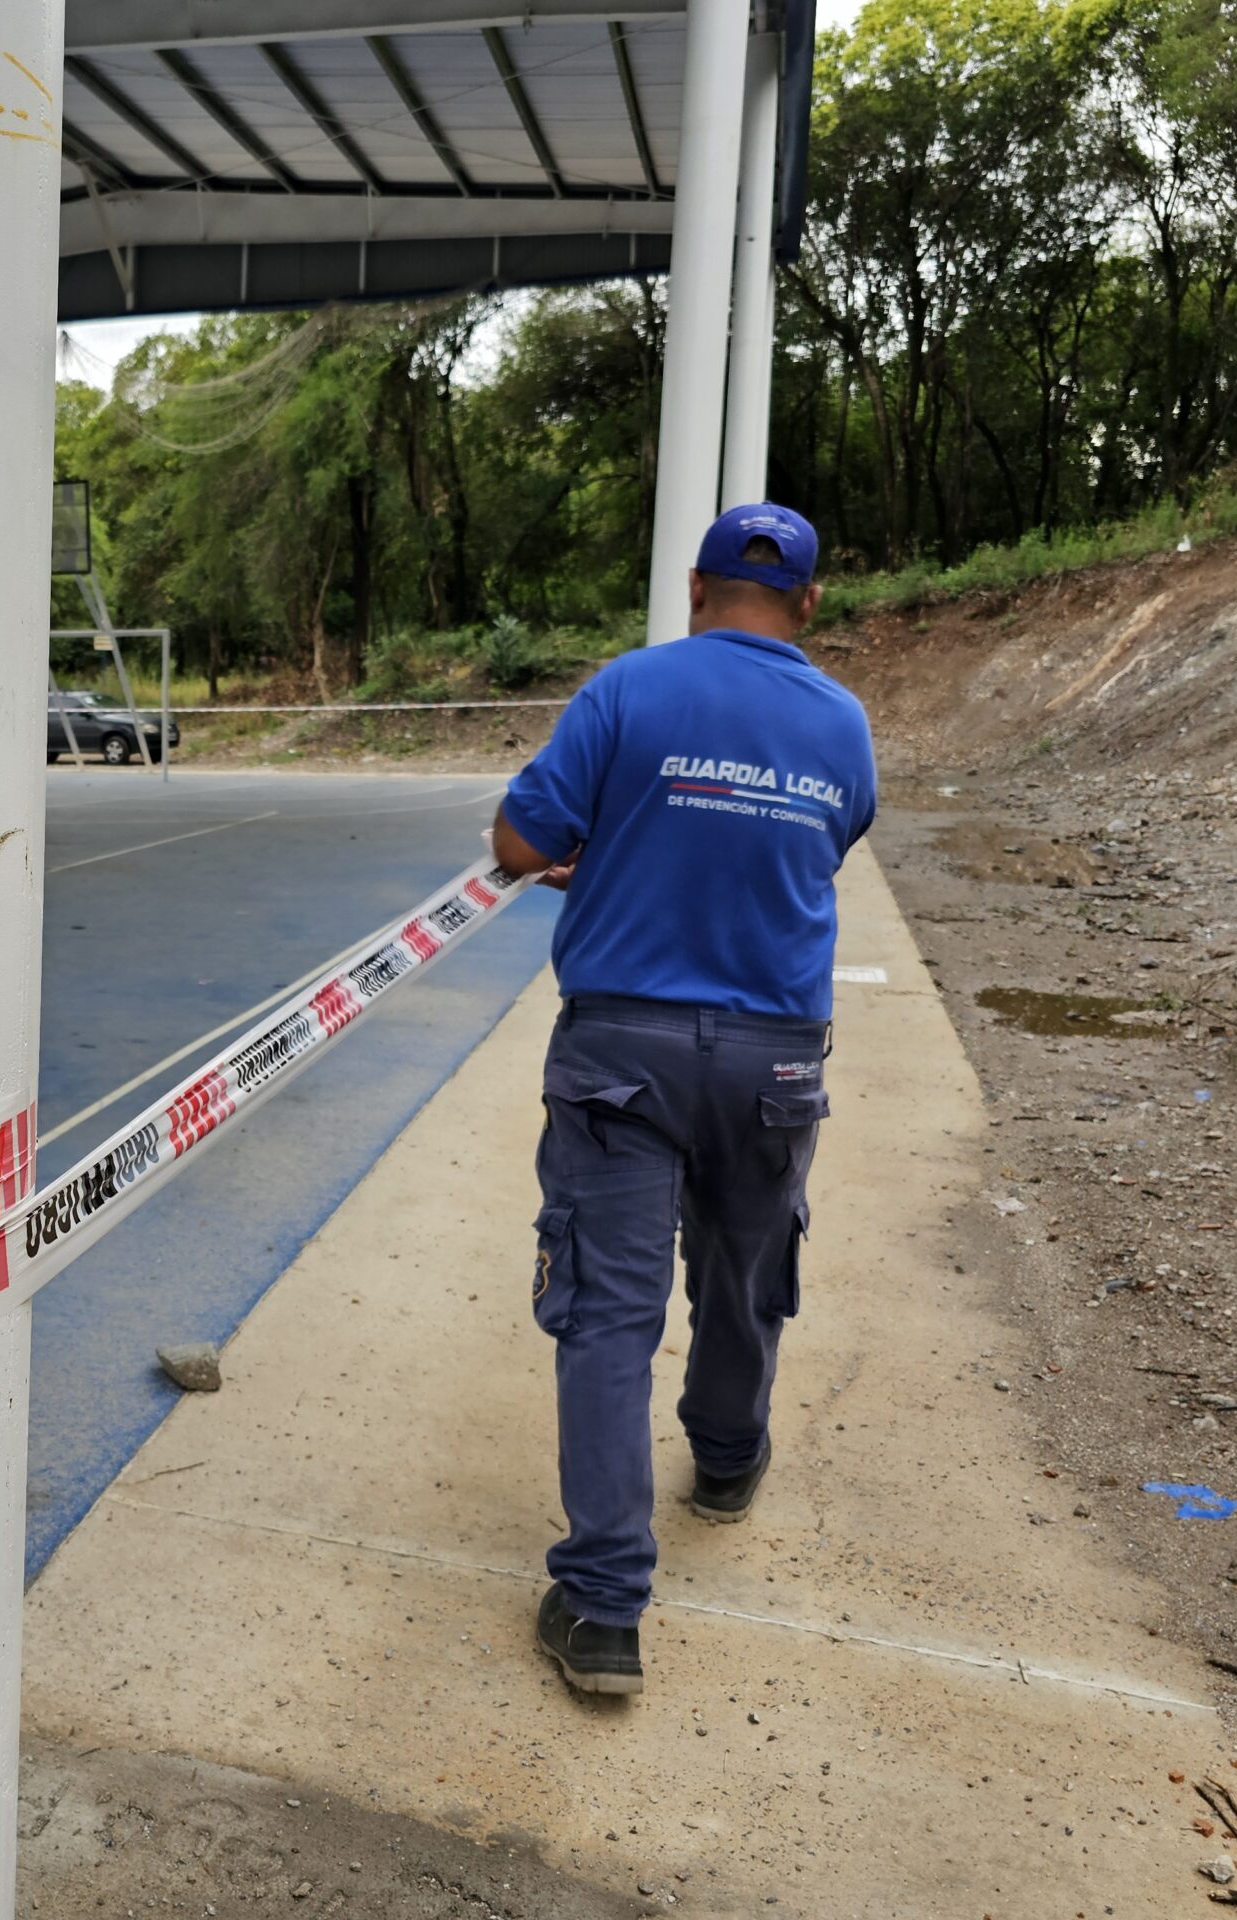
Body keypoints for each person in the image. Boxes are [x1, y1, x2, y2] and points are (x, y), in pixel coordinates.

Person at [487, 504, 877, 1696]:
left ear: (697, 589)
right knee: (743, 1270)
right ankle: (725, 1459)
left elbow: (519, 844)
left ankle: (603, 1610)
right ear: (809, 603)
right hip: (772, 1056)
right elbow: (819, 847)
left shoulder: (627, 690)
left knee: (610, 1315)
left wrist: (612, 853)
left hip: (622, 1048)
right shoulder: (841, 722)